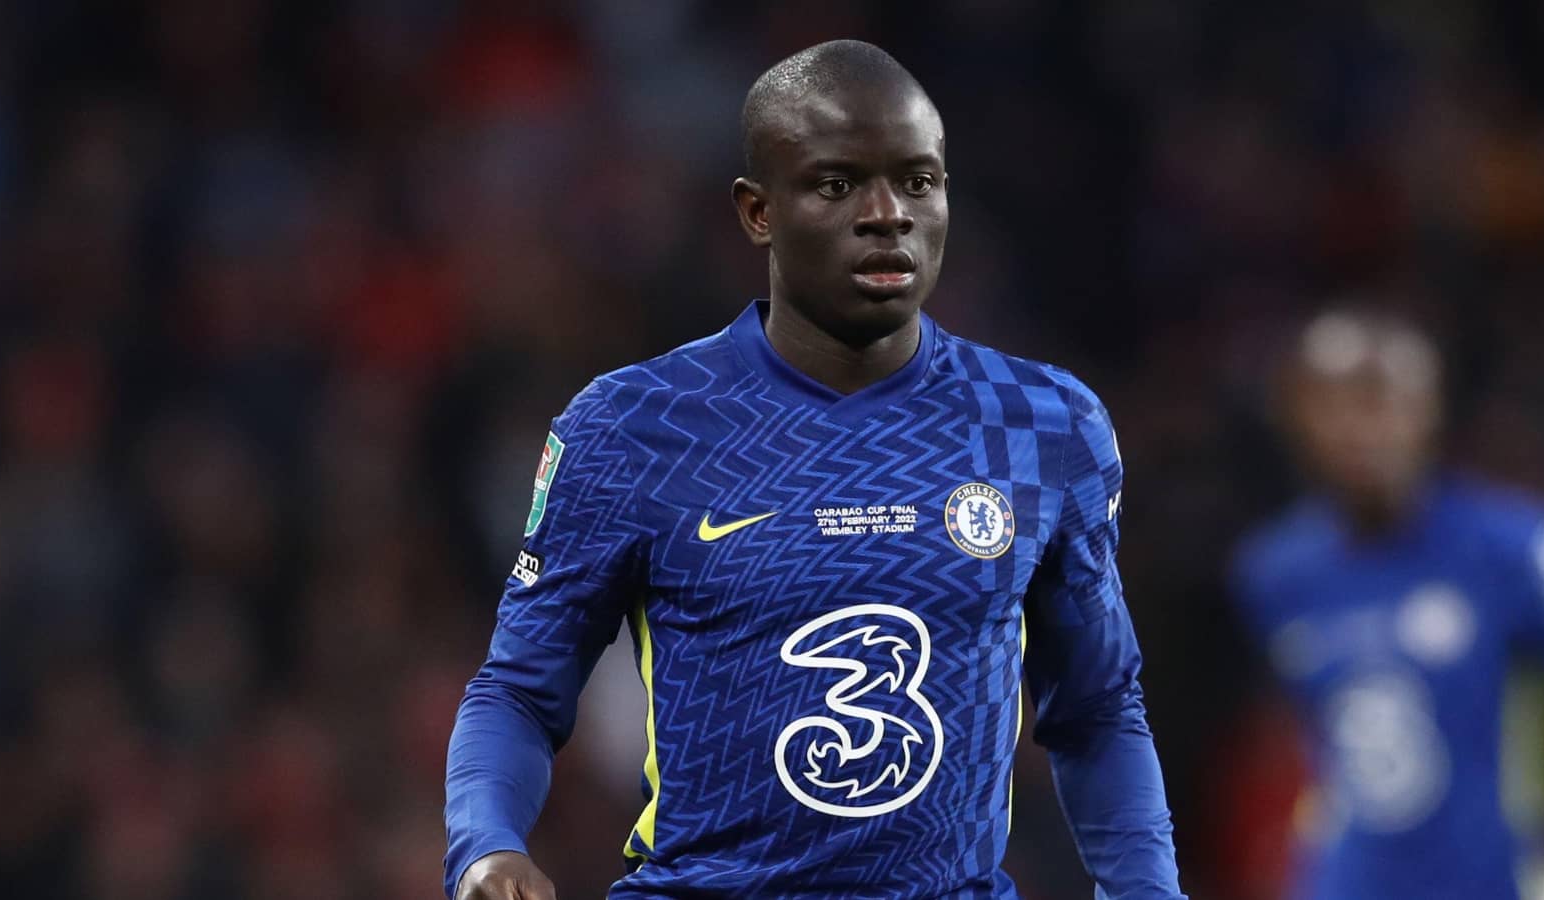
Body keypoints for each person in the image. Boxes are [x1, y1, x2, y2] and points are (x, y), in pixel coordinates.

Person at [444, 40, 1185, 900]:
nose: (888, 214)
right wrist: (485, 845)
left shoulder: (1041, 423)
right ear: (758, 211)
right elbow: (519, 692)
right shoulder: (634, 427)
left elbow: (1097, 711)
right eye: (838, 185)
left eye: (918, 181)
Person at [1231, 308, 1544, 900]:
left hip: (1492, 882)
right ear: (1297, 417)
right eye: (1335, 402)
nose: (1361, 428)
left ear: (1429, 409)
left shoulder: (1518, 552)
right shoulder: (1276, 572)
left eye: (1381, 399)